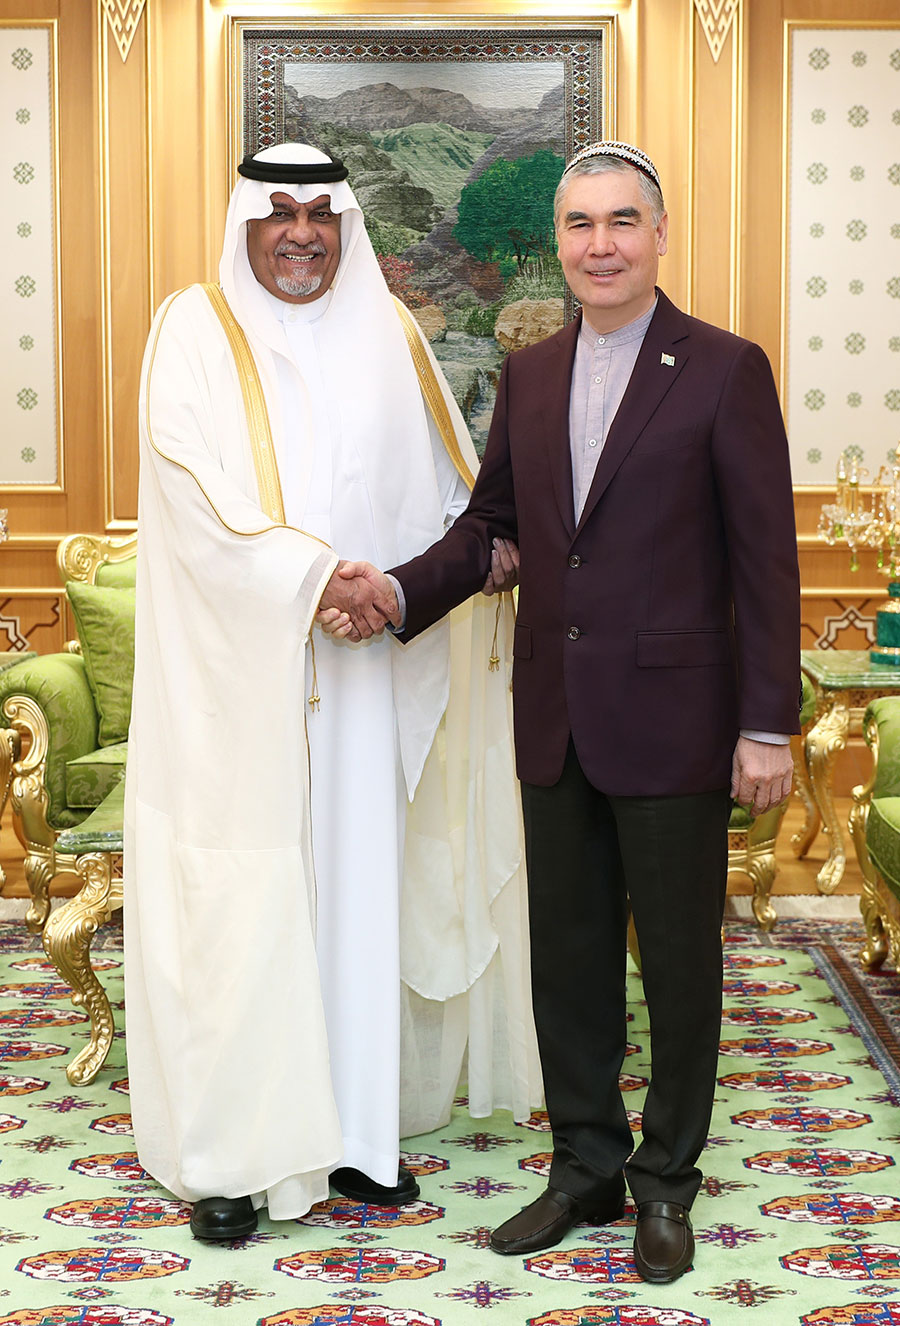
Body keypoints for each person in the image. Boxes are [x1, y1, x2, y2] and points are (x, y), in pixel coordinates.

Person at [323, 140, 800, 1284]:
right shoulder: (531, 378)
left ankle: (666, 1182)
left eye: (622, 221)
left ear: (660, 234)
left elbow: (767, 561)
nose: (600, 244)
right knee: (569, 961)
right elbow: (496, 531)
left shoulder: (726, 369)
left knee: (681, 967)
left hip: (681, 723)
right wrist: (396, 591)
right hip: (556, 716)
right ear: (561, 239)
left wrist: (769, 726)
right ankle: (585, 1166)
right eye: (581, 224)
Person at [124, 142, 541, 1244]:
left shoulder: (391, 336)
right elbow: (189, 492)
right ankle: (233, 1159)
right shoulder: (191, 333)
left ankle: (356, 1139)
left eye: (321, 213)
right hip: (239, 689)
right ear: (245, 222)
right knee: (244, 910)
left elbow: (454, 493)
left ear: (346, 224)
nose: (300, 232)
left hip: (363, 680)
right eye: (279, 213)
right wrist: (316, 578)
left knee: (358, 899)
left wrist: (395, 591)